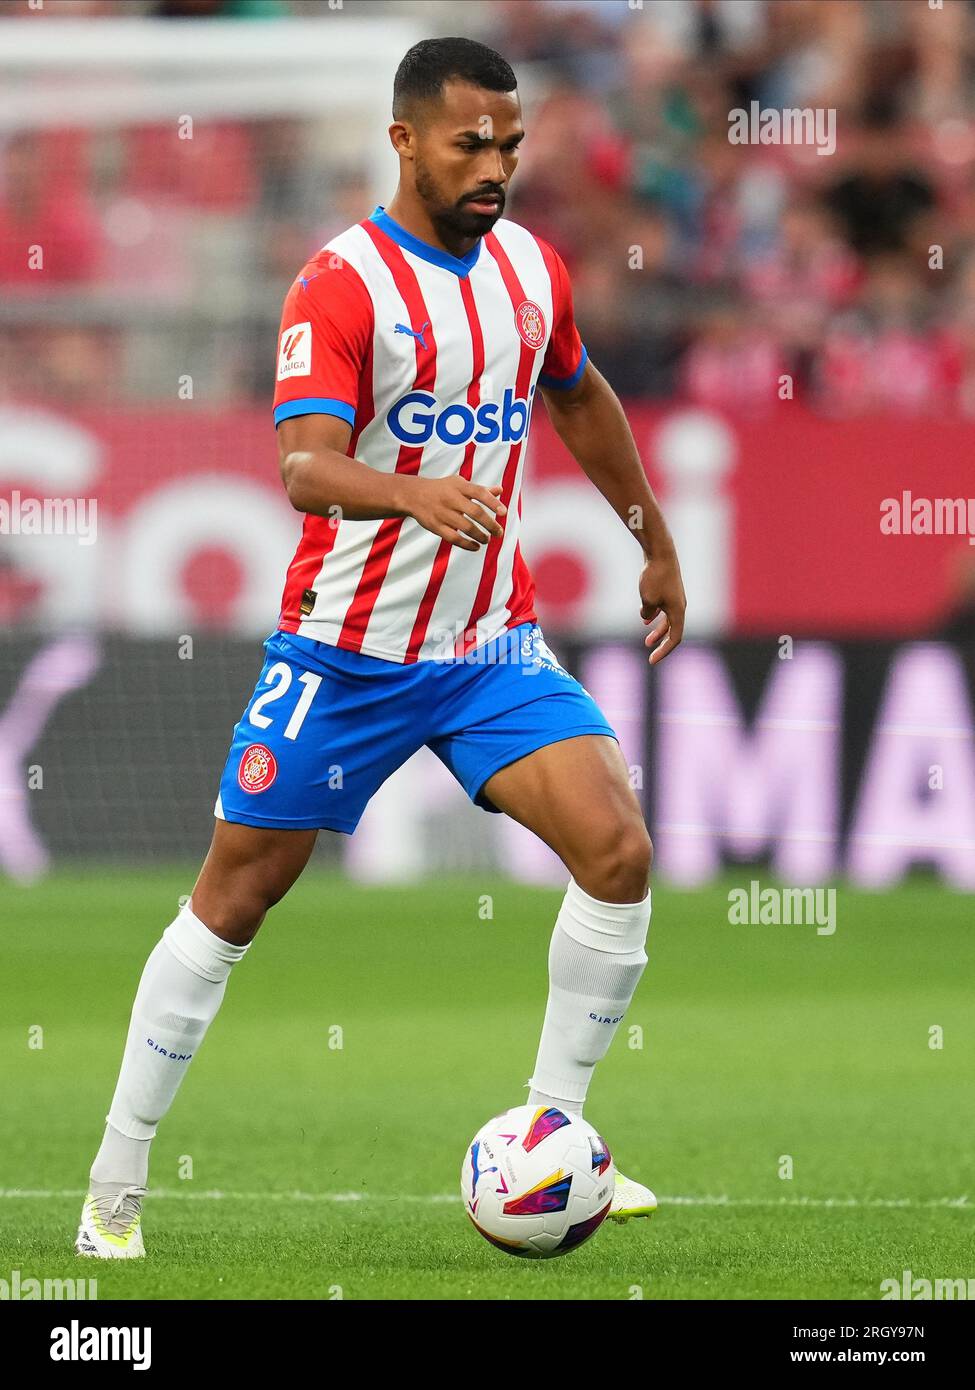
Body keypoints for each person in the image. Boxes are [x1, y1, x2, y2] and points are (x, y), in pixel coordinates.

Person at [76, 36, 686, 1259]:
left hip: (487, 647)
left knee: (617, 850)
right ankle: (115, 1185)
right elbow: (303, 466)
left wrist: (652, 537)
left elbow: (579, 394)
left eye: (510, 143)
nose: (495, 166)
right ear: (403, 138)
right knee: (237, 894)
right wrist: (410, 494)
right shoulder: (340, 285)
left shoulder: (527, 270)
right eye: (470, 142)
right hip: (342, 653)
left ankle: (553, 1140)